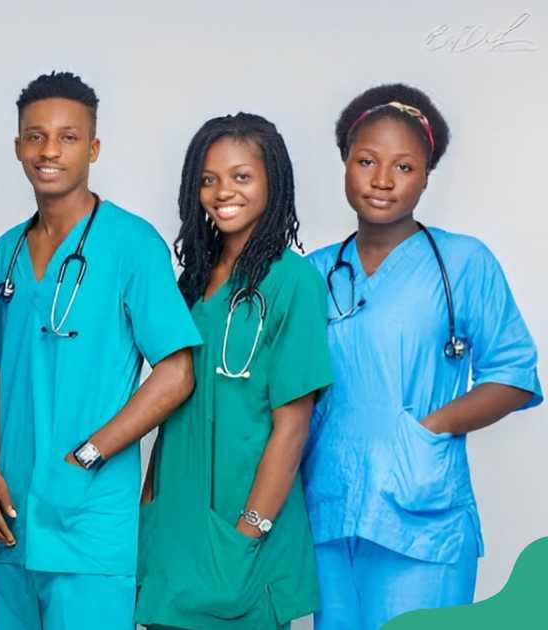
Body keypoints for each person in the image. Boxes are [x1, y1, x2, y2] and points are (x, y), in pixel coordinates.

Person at [302, 83, 543, 630]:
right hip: (329, 508)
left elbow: (513, 375)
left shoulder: (464, 263)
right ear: (345, 163)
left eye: (404, 166)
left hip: (422, 510)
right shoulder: (313, 272)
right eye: (367, 161)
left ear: (427, 175)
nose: (383, 180)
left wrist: (427, 430)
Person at [0, 71, 199, 630]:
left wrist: (90, 453)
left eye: (68, 137)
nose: (49, 151)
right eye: (35, 136)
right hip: (14, 517)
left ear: (92, 148)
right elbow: (1, 372)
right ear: (18, 147)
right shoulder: (7, 250)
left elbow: (176, 374)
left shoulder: (131, 243)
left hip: (91, 524)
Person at [135, 113, 332, 629]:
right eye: (208, 178)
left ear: (274, 182)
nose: (222, 191)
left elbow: (293, 425)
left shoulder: (295, 283)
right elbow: (174, 396)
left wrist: (252, 527)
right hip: (176, 515)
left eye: (241, 176)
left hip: (246, 519)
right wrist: (150, 497)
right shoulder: (193, 280)